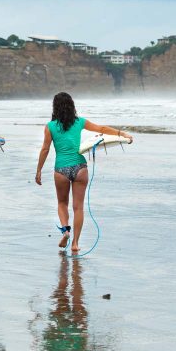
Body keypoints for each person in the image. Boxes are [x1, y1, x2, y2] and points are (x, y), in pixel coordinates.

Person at [35, 92, 133, 252]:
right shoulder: (79, 122)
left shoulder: (50, 126)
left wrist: (38, 170)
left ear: (55, 107)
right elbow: (101, 129)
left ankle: (66, 230)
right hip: (80, 167)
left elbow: (45, 148)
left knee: (62, 203)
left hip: (61, 169)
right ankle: (75, 244)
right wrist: (122, 134)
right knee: (78, 207)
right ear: (71, 106)